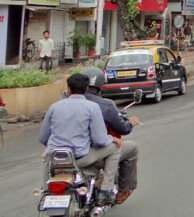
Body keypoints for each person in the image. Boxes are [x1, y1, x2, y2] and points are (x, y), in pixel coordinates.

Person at [39, 74, 121, 205]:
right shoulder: (92, 107)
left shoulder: (54, 107)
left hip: (54, 159)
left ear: (68, 89)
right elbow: (99, 139)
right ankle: (105, 191)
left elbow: (43, 138)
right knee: (115, 148)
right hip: (79, 159)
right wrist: (112, 139)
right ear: (86, 88)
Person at [81, 67, 140, 205]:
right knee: (127, 147)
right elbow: (121, 129)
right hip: (89, 155)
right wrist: (130, 123)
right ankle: (116, 191)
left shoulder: (60, 105)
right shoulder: (104, 105)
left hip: (64, 155)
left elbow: (44, 137)